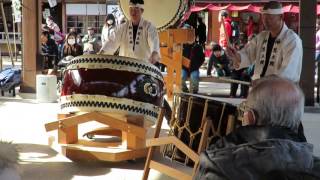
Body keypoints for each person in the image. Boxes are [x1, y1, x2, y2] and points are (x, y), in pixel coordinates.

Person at [195, 75, 320, 180]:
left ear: (250, 117)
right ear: (297, 122)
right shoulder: (313, 167)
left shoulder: (216, 165)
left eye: (245, 110)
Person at [226, 1, 303, 83]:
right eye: (264, 18)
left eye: (270, 18)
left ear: (281, 16)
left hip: (281, 92)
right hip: (260, 88)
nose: (266, 21)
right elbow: (248, 55)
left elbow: (288, 73)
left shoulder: (292, 40)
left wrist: (264, 82)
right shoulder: (262, 37)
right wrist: (235, 55)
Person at [99, 0, 160, 64]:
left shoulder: (149, 27)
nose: (133, 12)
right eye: (131, 9)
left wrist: (154, 53)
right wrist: (103, 51)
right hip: (125, 66)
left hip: (144, 67)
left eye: (136, 9)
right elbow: (112, 40)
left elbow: (154, 41)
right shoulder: (122, 27)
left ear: (142, 11)